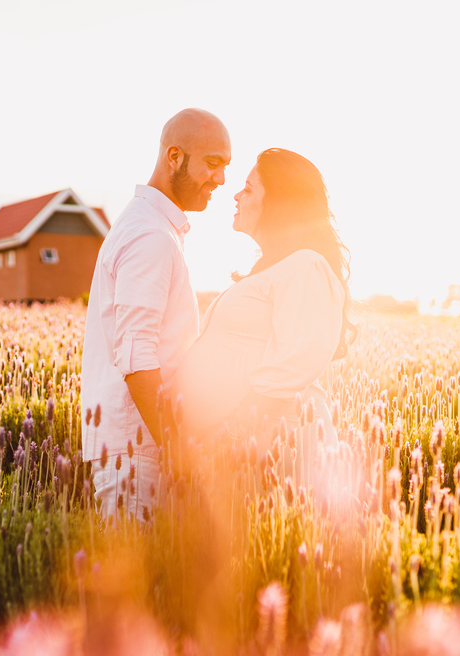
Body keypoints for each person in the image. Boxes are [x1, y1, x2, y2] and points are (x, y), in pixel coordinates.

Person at [80, 108, 232, 520]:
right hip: (136, 451)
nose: (221, 179)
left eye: (225, 167)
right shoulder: (149, 235)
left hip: (140, 446)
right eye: (213, 163)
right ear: (174, 157)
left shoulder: (151, 228)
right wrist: (177, 448)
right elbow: (136, 355)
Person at [170, 148, 355, 484]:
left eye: (250, 189)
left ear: (279, 201)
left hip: (268, 449)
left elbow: (297, 359)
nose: (237, 196)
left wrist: (236, 428)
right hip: (241, 448)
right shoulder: (274, 270)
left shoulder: (306, 266)